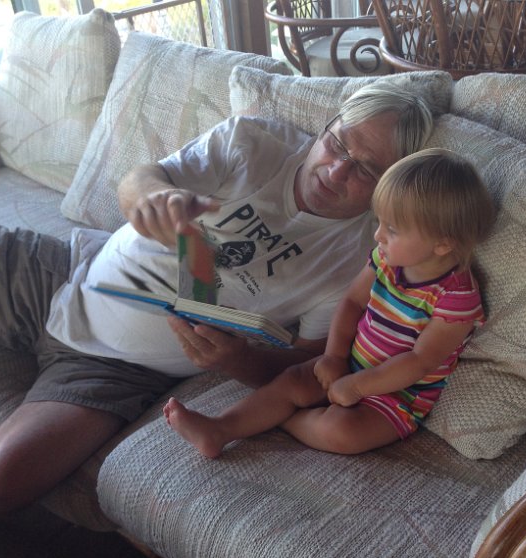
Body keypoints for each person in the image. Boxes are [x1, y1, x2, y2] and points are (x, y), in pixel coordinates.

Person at [0, 80, 435, 525]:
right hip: (61, 270)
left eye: (365, 170)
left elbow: (309, 362)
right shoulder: (254, 142)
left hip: (113, 371)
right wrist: (152, 199)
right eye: (338, 144)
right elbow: (137, 181)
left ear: (389, 184)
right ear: (327, 127)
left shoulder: (358, 258)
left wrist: (237, 360)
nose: (336, 171)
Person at [164, 148, 496, 458]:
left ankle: (283, 418)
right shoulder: (386, 259)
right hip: (350, 363)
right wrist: (334, 357)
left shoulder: (456, 300)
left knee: (342, 432)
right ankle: (220, 429)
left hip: (396, 397)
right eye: (379, 222)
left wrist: (359, 386)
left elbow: (419, 361)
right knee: (293, 380)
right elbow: (352, 302)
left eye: (392, 229)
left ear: (442, 245)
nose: (378, 235)